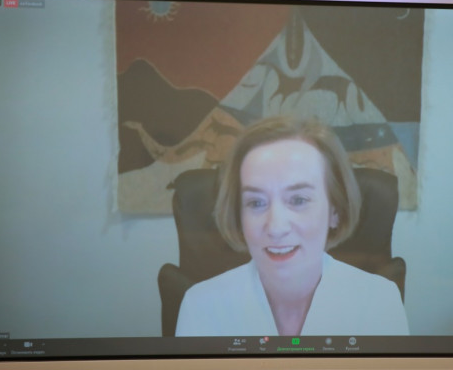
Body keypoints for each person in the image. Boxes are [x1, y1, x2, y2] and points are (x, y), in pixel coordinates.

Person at [175, 116, 409, 336]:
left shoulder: (380, 303)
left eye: (298, 200)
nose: (276, 228)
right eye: (256, 202)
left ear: (335, 211)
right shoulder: (200, 306)